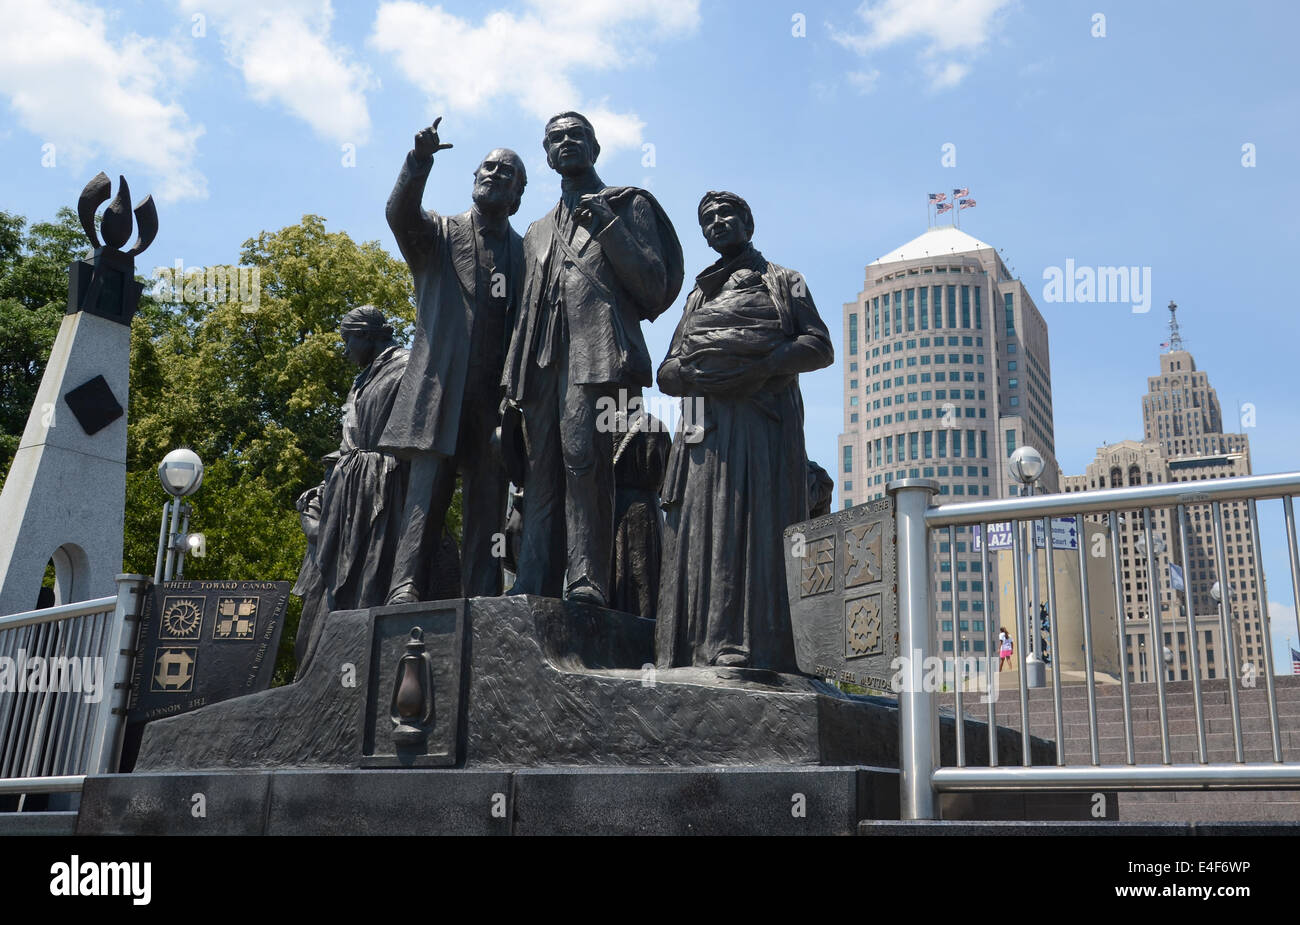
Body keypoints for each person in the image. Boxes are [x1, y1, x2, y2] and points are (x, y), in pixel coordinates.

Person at [501, 111, 682, 606]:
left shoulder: (628, 204)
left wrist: (610, 230)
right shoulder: (537, 230)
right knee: (539, 471)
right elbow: (522, 309)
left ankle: (586, 580)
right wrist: (510, 379)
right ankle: (534, 579)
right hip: (540, 363)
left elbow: (654, 287)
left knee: (584, 460)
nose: (566, 143)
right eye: (555, 138)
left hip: (599, 352)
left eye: (576, 135)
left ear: (595, 147)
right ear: (546, 154)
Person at [655, 191, 833, 672]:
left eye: (726, 213)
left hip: (761, 428)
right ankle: (698, 644)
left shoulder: (785, 281)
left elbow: (818, 345)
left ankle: (754, 645)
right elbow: (667, 370)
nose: (717, 222)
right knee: (704, 532)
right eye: (707, 218)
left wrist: (762, 366)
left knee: (750, 527)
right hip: (704, 430)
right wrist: (704, 375)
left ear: (748, 222)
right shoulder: (699, 294)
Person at [380, 118, 526, 603]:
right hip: (440, 391)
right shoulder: (439, 234)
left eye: (506, 174)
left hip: (496, 400)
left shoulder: (526, 255)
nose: (494, 175)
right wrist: (418, 161)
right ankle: (405, 586)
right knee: (426, 497)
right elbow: (399, 215)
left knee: (488, 504)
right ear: (473, 177)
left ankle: (481, 595)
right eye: (488, 168)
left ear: (517, 197)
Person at [294, 307, 409, 677]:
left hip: (381, 490)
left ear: (368, 335)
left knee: (362, 591)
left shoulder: (405, 367)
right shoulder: (365, 376)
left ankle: (352, 663)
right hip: (350, 489)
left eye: (348, 341)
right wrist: (327, 489)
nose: (344, 351)